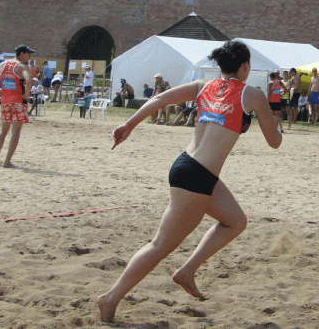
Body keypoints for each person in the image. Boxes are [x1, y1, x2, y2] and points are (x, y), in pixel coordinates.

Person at [97, 40, 282, 322]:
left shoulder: (202, 86)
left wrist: (129, 124)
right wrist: (272, 119)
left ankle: (187, 271)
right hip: (197, 177)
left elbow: (160, 99)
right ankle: (110, 298)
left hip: (187, 166)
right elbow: (274, 142)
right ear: (245, 67)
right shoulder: (253, 95)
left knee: (236, 221)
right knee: (159, 246)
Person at [0, 45, 34, 168]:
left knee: (3, 131)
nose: (30, 56)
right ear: (22, 54)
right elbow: (29, 81)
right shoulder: (21, 66)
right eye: (28, 54)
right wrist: (26, 95)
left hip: (6, 100)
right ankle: (7, 162)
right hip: (18, 101)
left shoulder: (3, 64)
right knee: (16, 132)